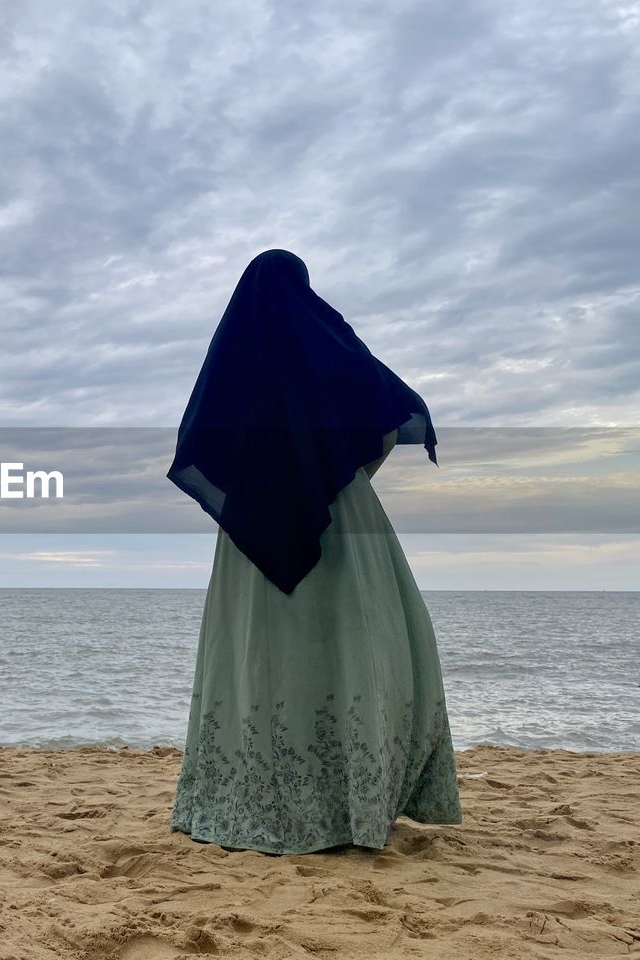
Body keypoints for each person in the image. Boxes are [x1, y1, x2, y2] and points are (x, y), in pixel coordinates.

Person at [167, 249, 461, 854]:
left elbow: (198, 447)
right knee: (352, 648)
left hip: (252, 528)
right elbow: (391, 412)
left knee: (257, 657)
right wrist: (338, 473)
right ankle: (354, 804)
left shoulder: (233, 365)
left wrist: (265, 490)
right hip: (343, 518)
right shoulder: (333, 348)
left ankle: (248, 800)